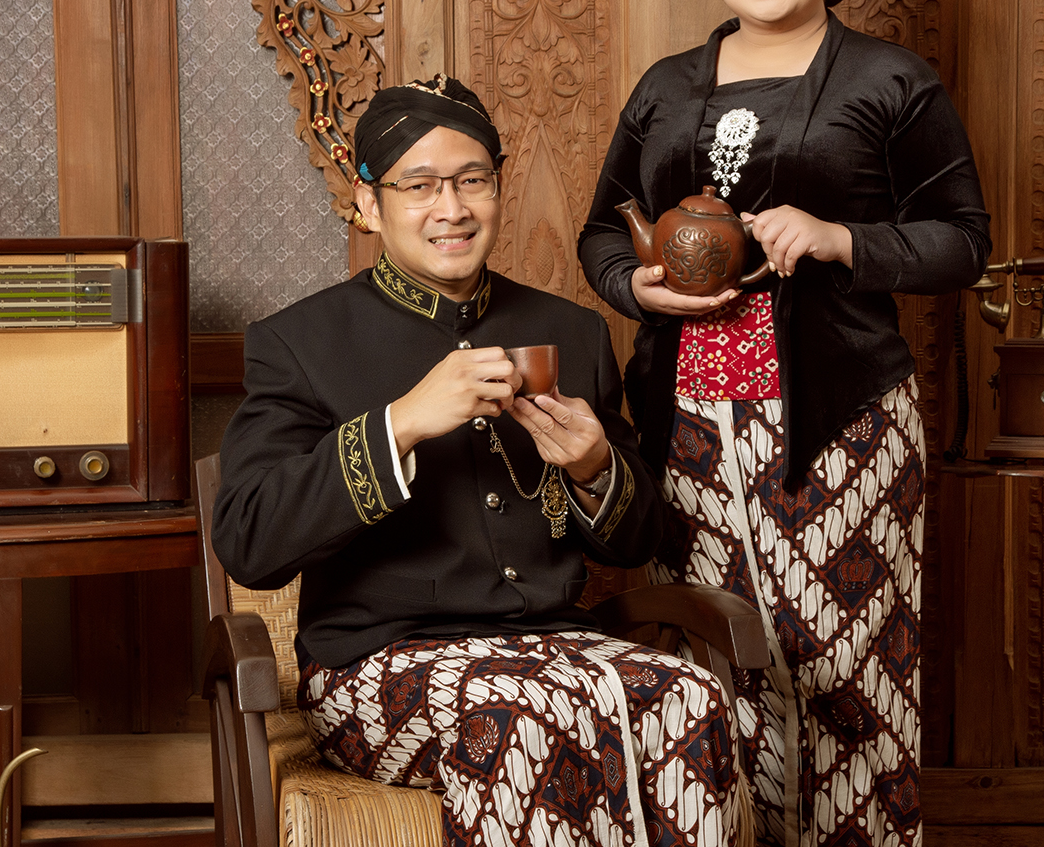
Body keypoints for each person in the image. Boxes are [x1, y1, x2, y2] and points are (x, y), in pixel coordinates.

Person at [578, 0, 992, 846]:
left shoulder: (889, 80)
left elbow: (962, 241)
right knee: (713, 666)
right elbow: (601, 233)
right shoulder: (665, 86)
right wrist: (639, 291)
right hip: (682, 429)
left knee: (846, 675)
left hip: (839, 424)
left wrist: (842, 239)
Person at [214, 76, 740, 847]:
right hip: (373, 664)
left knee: (690, 696)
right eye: (419, 185)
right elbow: (248, 539)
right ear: (369, 203)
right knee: (521, 714)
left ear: (498, 187)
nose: (452, 208)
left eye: (471, 180)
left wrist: (594, 467)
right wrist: (401, 423)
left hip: (554, 643)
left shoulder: (572, 331)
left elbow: (637, 542)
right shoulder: (300, 342)